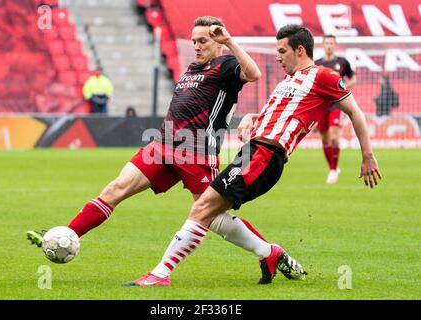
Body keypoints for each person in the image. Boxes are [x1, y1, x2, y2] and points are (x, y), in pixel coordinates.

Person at [27, 16, 295, 285]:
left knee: (211, 217)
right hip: (162, 145)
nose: (197, 46)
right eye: (194, 41)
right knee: (115, 189)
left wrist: (229, 42)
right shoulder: (192, 68)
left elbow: (254, 74)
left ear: (218, 43)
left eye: (203, 41)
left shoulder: (226, 65)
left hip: (197, 151)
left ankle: (267, 251)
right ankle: (66, 235)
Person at [126, 24, 381, 287]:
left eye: (282, 51)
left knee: (202, 209)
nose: (278, 57)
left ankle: (160, 274)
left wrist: (368, 154)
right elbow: (281, 114)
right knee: (208, 212)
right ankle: (269, 253)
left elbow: (355, 111)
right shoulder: (289, 80)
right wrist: (253, 118)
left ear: (300, 50)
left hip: (265, 156)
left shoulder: (323, 76)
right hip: (253, 152)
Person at [315, 35, 356, 184]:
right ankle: (332, 167)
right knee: (325, 139)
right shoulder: (317, 64)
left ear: (335, 45)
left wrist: (342, 89)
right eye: (326, 43)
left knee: (334, 137)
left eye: (331, 43)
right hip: (321, 106)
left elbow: (353, 79)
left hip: (336, 104)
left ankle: (333, 169)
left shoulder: (342, 62)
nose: (329, 46)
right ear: (323, 45)